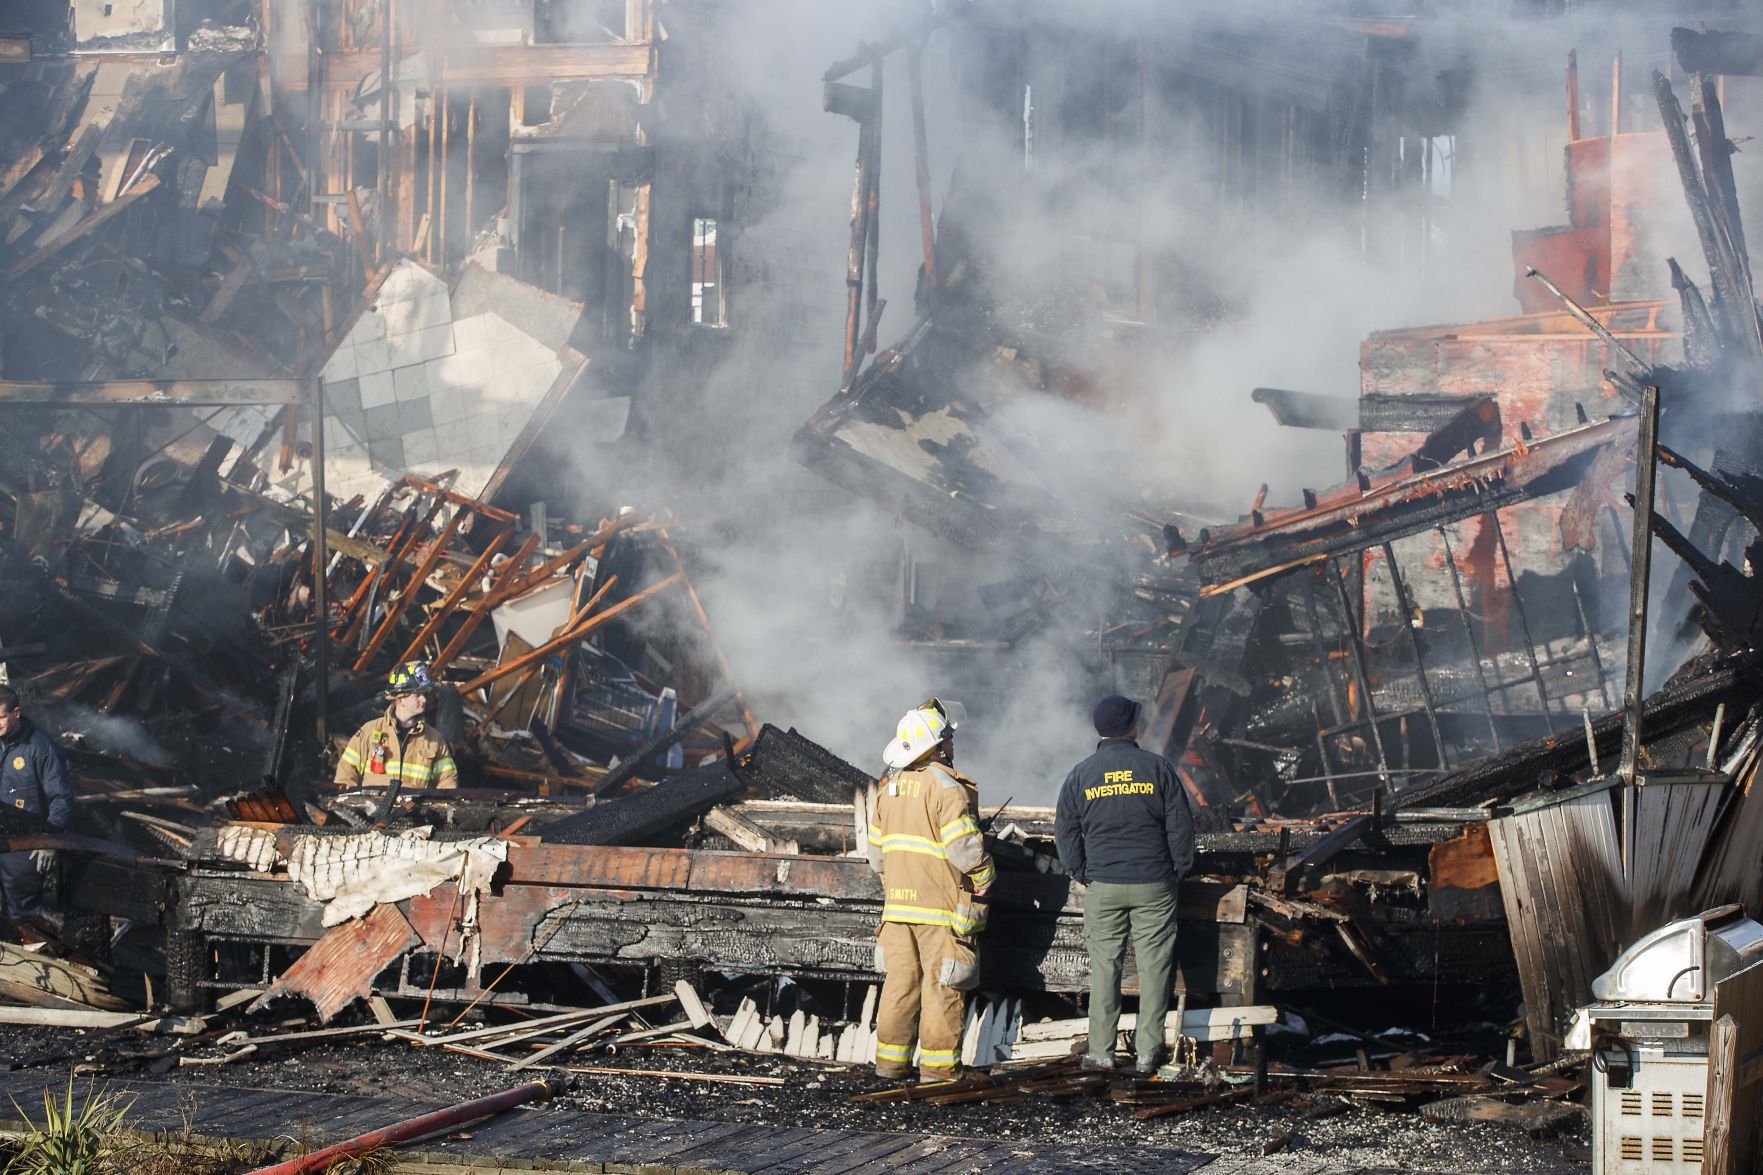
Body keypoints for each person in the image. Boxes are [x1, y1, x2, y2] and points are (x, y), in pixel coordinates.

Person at [1054, 694, 1196, 1076]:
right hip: (1154, 883)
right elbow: (1180, 826)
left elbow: (1065, 832)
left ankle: (1101, 1053)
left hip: (1104, 886)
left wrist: (1083, 872)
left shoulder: (1081, 774)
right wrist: (1177, 869)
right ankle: (1149, 1052)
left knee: (1105, 970)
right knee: (1155, 969)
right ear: (1132, 727)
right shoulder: (1157, 768)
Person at [866, 699, 995, 1083]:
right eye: (948, 739)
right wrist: (988, 873)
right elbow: (966, 853)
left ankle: (890, 1065)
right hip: (940, 912)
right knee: (943, 987)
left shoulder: (888, 789)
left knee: (899, 988)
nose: (953, 745)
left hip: (897, 911)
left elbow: (876, 858)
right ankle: (939, 1072)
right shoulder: (947, 788)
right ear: (935, 747)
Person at [0, 685, 74, 925]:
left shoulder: (40, 748)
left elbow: (60, 798)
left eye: (0, 716)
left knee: (23, 915)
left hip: (25, 846)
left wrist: (49, 841)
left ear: (16, 712)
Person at [334, 661, 458, 794]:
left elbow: (447, 780)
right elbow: (345, 774)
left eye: (424, 694)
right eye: (417, 695)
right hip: (372, 812)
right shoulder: (369, 731)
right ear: (400, 700)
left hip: (414, 812)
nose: (424, 699)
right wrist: (351, 806)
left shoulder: (434, 738)